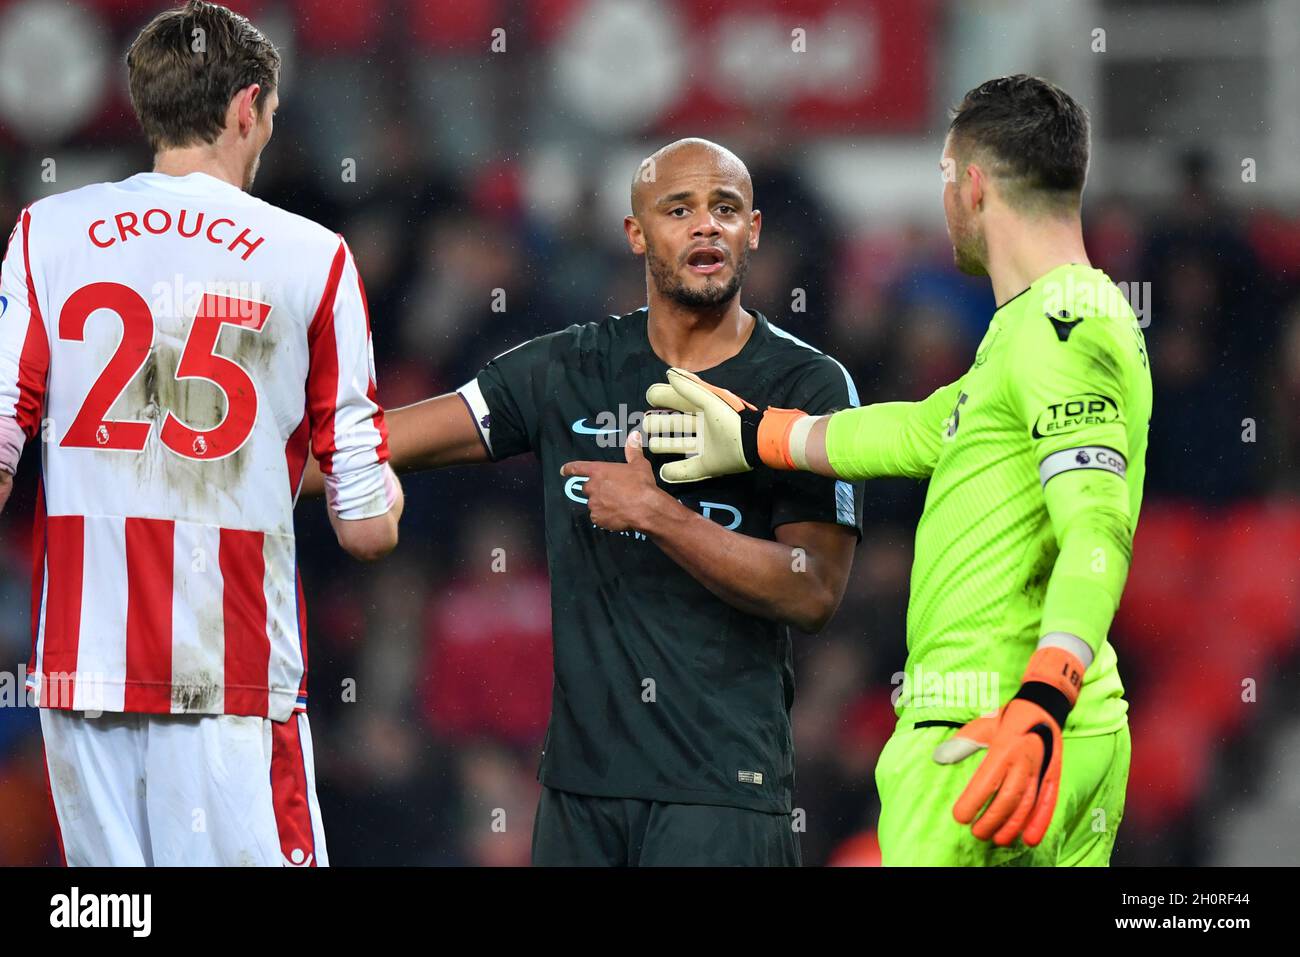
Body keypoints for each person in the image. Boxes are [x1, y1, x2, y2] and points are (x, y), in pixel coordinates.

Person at [309, 138, 864, 865]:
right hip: (578, 800)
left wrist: (658, 514)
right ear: (636, 234)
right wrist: (208, 466)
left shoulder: (809, 385)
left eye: (725, 209)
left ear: (753, 231)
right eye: (679, 209)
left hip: (723, 794)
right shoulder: (566, 367)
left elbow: (814, 587)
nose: (706, 226)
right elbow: (368, 445)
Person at [645, 77, 1149, 866]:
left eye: (946, 179)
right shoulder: (1051, 321)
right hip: (1054, 723)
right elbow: (921, 428)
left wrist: (1041, 698)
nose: (943, 199)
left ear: (975, 186)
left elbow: (1097, 523)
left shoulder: (1062, 328)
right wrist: (756, 434)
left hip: (985, 729)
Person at [0, 1, 402, 866]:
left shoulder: (47, 234)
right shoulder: (313, 255)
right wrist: (390, 483)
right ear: (247, 106)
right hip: (231, 672)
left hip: (83, 665)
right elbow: (365, 526)